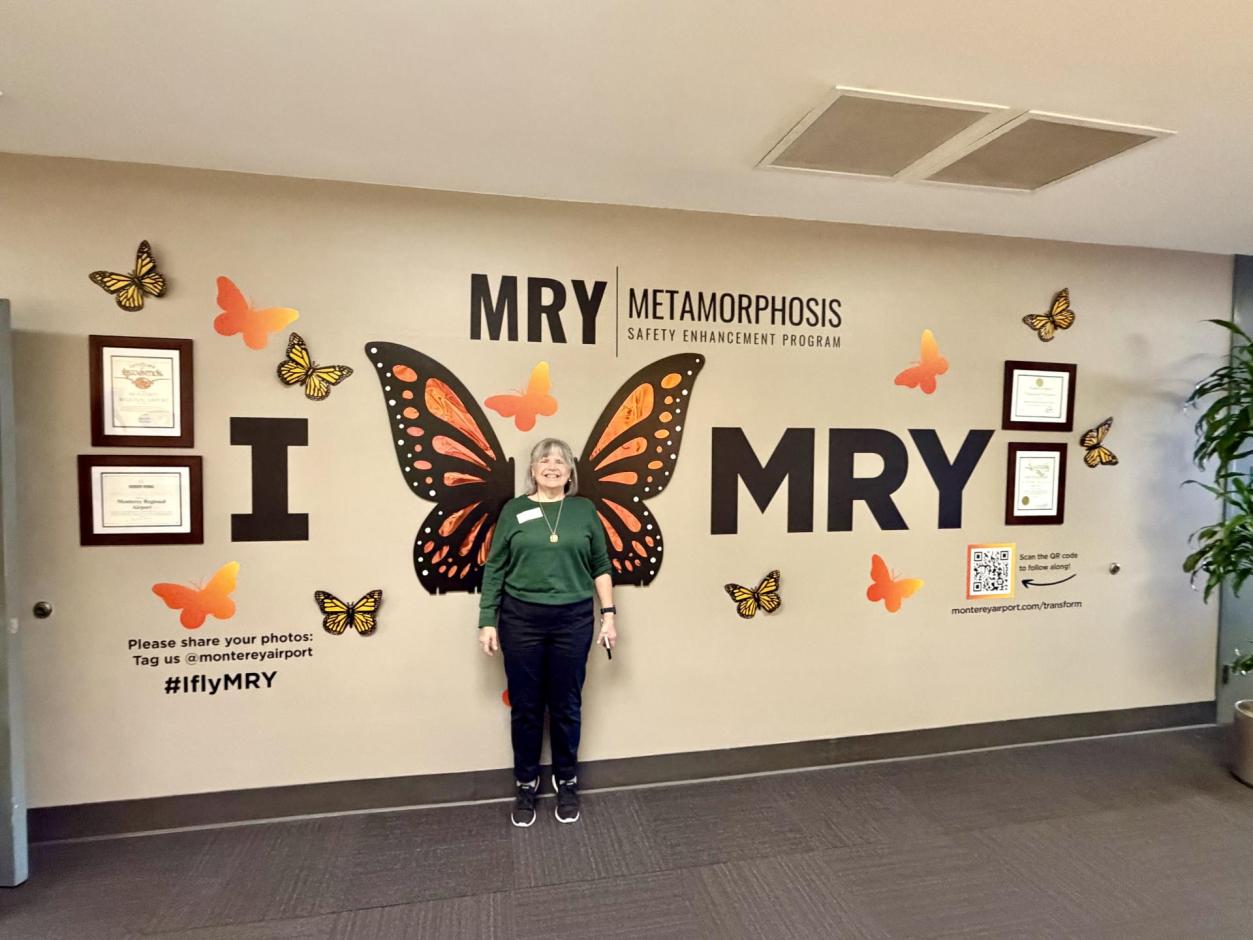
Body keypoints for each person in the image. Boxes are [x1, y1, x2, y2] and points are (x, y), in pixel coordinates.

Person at [477, 438, 617, 827]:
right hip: (521, 620)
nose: (552, 466)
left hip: (573, 619)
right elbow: (495, 568)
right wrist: (487, 619)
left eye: (560, 461)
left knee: (566, 704)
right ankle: (525, 783)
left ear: (570, 472)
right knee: (526, 707)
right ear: (533, 470)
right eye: (544, 460)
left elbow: (601, 565)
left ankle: (566, 779)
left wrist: (608, 615)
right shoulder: (515, 510)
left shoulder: (583, 510)